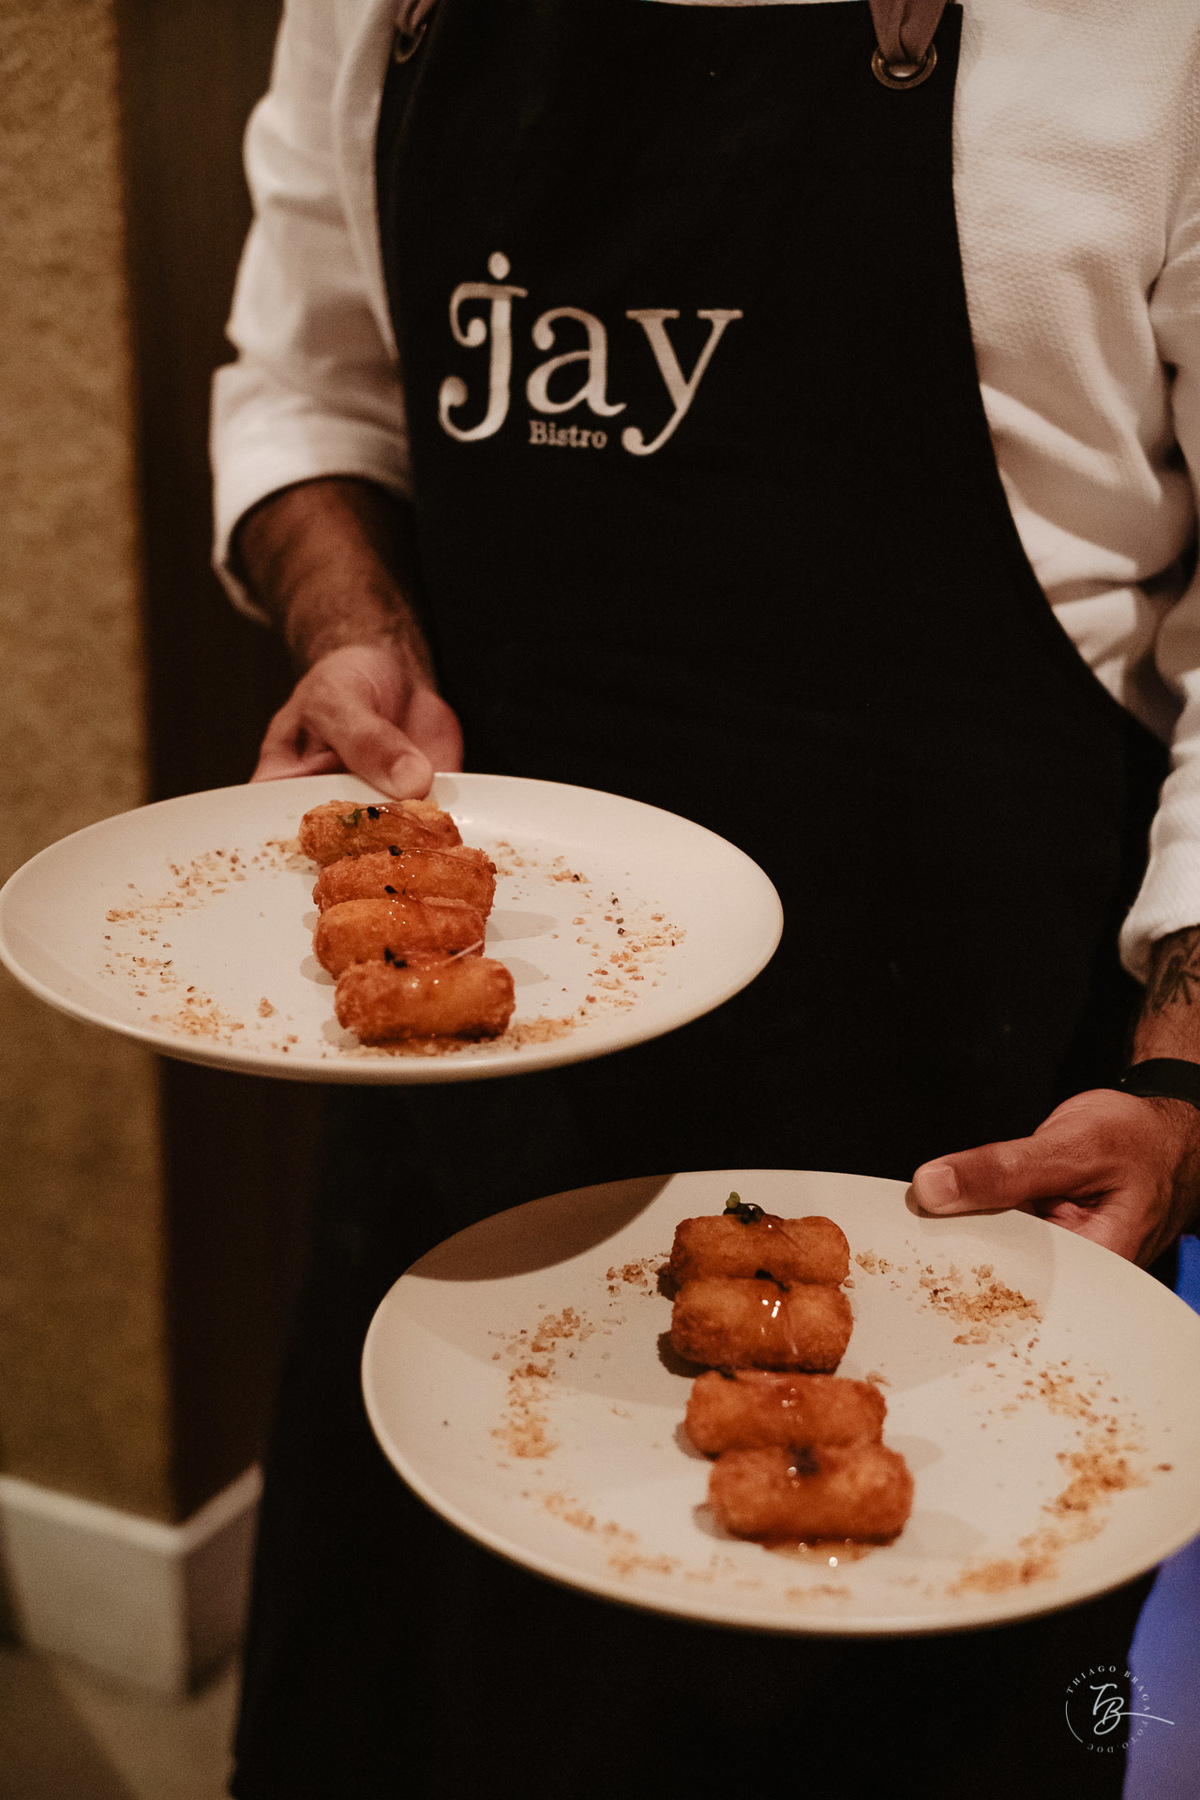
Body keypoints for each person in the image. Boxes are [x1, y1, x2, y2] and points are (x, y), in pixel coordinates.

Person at [212, 1, 1200, 1794]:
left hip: (954, 1139)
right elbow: (307, 377)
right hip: (460, 1140)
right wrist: (351, 621)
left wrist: (1187, 1067)